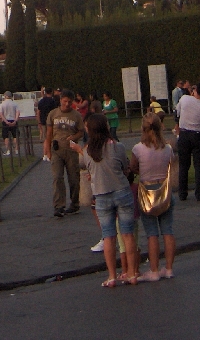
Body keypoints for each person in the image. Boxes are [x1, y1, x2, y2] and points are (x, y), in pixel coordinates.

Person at [70, 114, 138, 286]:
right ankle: (132, 273)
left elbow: (90, 169)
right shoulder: (118, 147)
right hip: (121, 191)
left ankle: (112, 276)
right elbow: (125, 167)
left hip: (101, 195)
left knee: (108, 237)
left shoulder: (87, 151)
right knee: (128, 234)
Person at [129, 114, 176, 280]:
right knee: (168, 230)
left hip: (147, 190)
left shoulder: (138, 148)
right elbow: (172, 165)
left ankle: (154, 270)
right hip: (164, 189)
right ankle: (169, 268)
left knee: (151, 233)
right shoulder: (168, 148)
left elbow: (133, 167)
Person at [47, 90, 85, 217]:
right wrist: (47, 148)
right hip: (57, 149)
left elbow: (81, 132)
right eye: (65, 101)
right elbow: (49, 133)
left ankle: (74, 203)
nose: (67, 104)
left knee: (73, 178)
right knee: (57, 177)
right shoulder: (53, 114)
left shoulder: (76, 115)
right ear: (60, 100)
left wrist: (74, 137)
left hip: (71, 150)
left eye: (69, 102)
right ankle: (59, 205)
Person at [175, 79, 200, 201]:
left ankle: (182, 193)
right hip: (198, 134)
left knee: (183, 166)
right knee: (199, 166)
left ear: (195, 90)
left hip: (184, 134)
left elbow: (178, 112)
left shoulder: (185, 99)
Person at [36, 88, 57, 161]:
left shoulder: (41, 101)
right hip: (51, 122)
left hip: (43, 121)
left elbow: (38, 112)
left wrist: (39, 122)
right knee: (50, 138)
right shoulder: (52, 101)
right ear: (51, 92)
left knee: (45, 138)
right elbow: (55, 112)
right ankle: (49, 154)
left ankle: (45, 154)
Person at [0, 91, 20, 156]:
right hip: (13, 120)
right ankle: (16, 150)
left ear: (5, 96)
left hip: (6, 121)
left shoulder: (2, 104)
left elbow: (1, 114)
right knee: (15, 135)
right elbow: (17, 112)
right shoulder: (14, 103)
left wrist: (6, 121)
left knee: (6, 136)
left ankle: (8, 150)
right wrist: (15, 120)